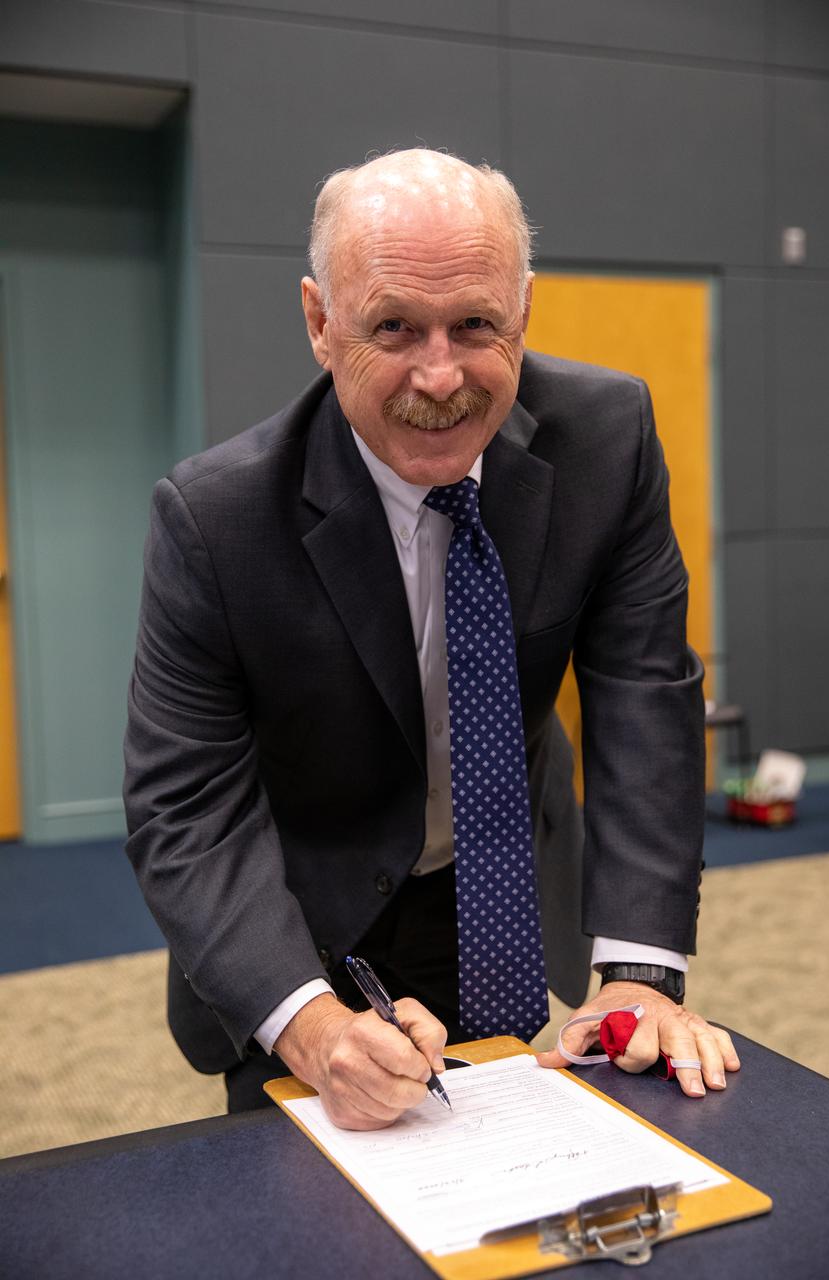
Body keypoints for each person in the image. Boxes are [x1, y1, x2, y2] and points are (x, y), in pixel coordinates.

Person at [123, 149, 739, 1130]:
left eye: (475, 325)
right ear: (321, 322)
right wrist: (314, 1027)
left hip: (499, 880)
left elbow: (642, 693)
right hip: (302, 919)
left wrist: (639, 971)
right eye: (394, 327)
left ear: (523, 309)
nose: (441, 374)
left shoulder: (607, 438)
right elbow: (185, 804)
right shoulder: (217, 518)